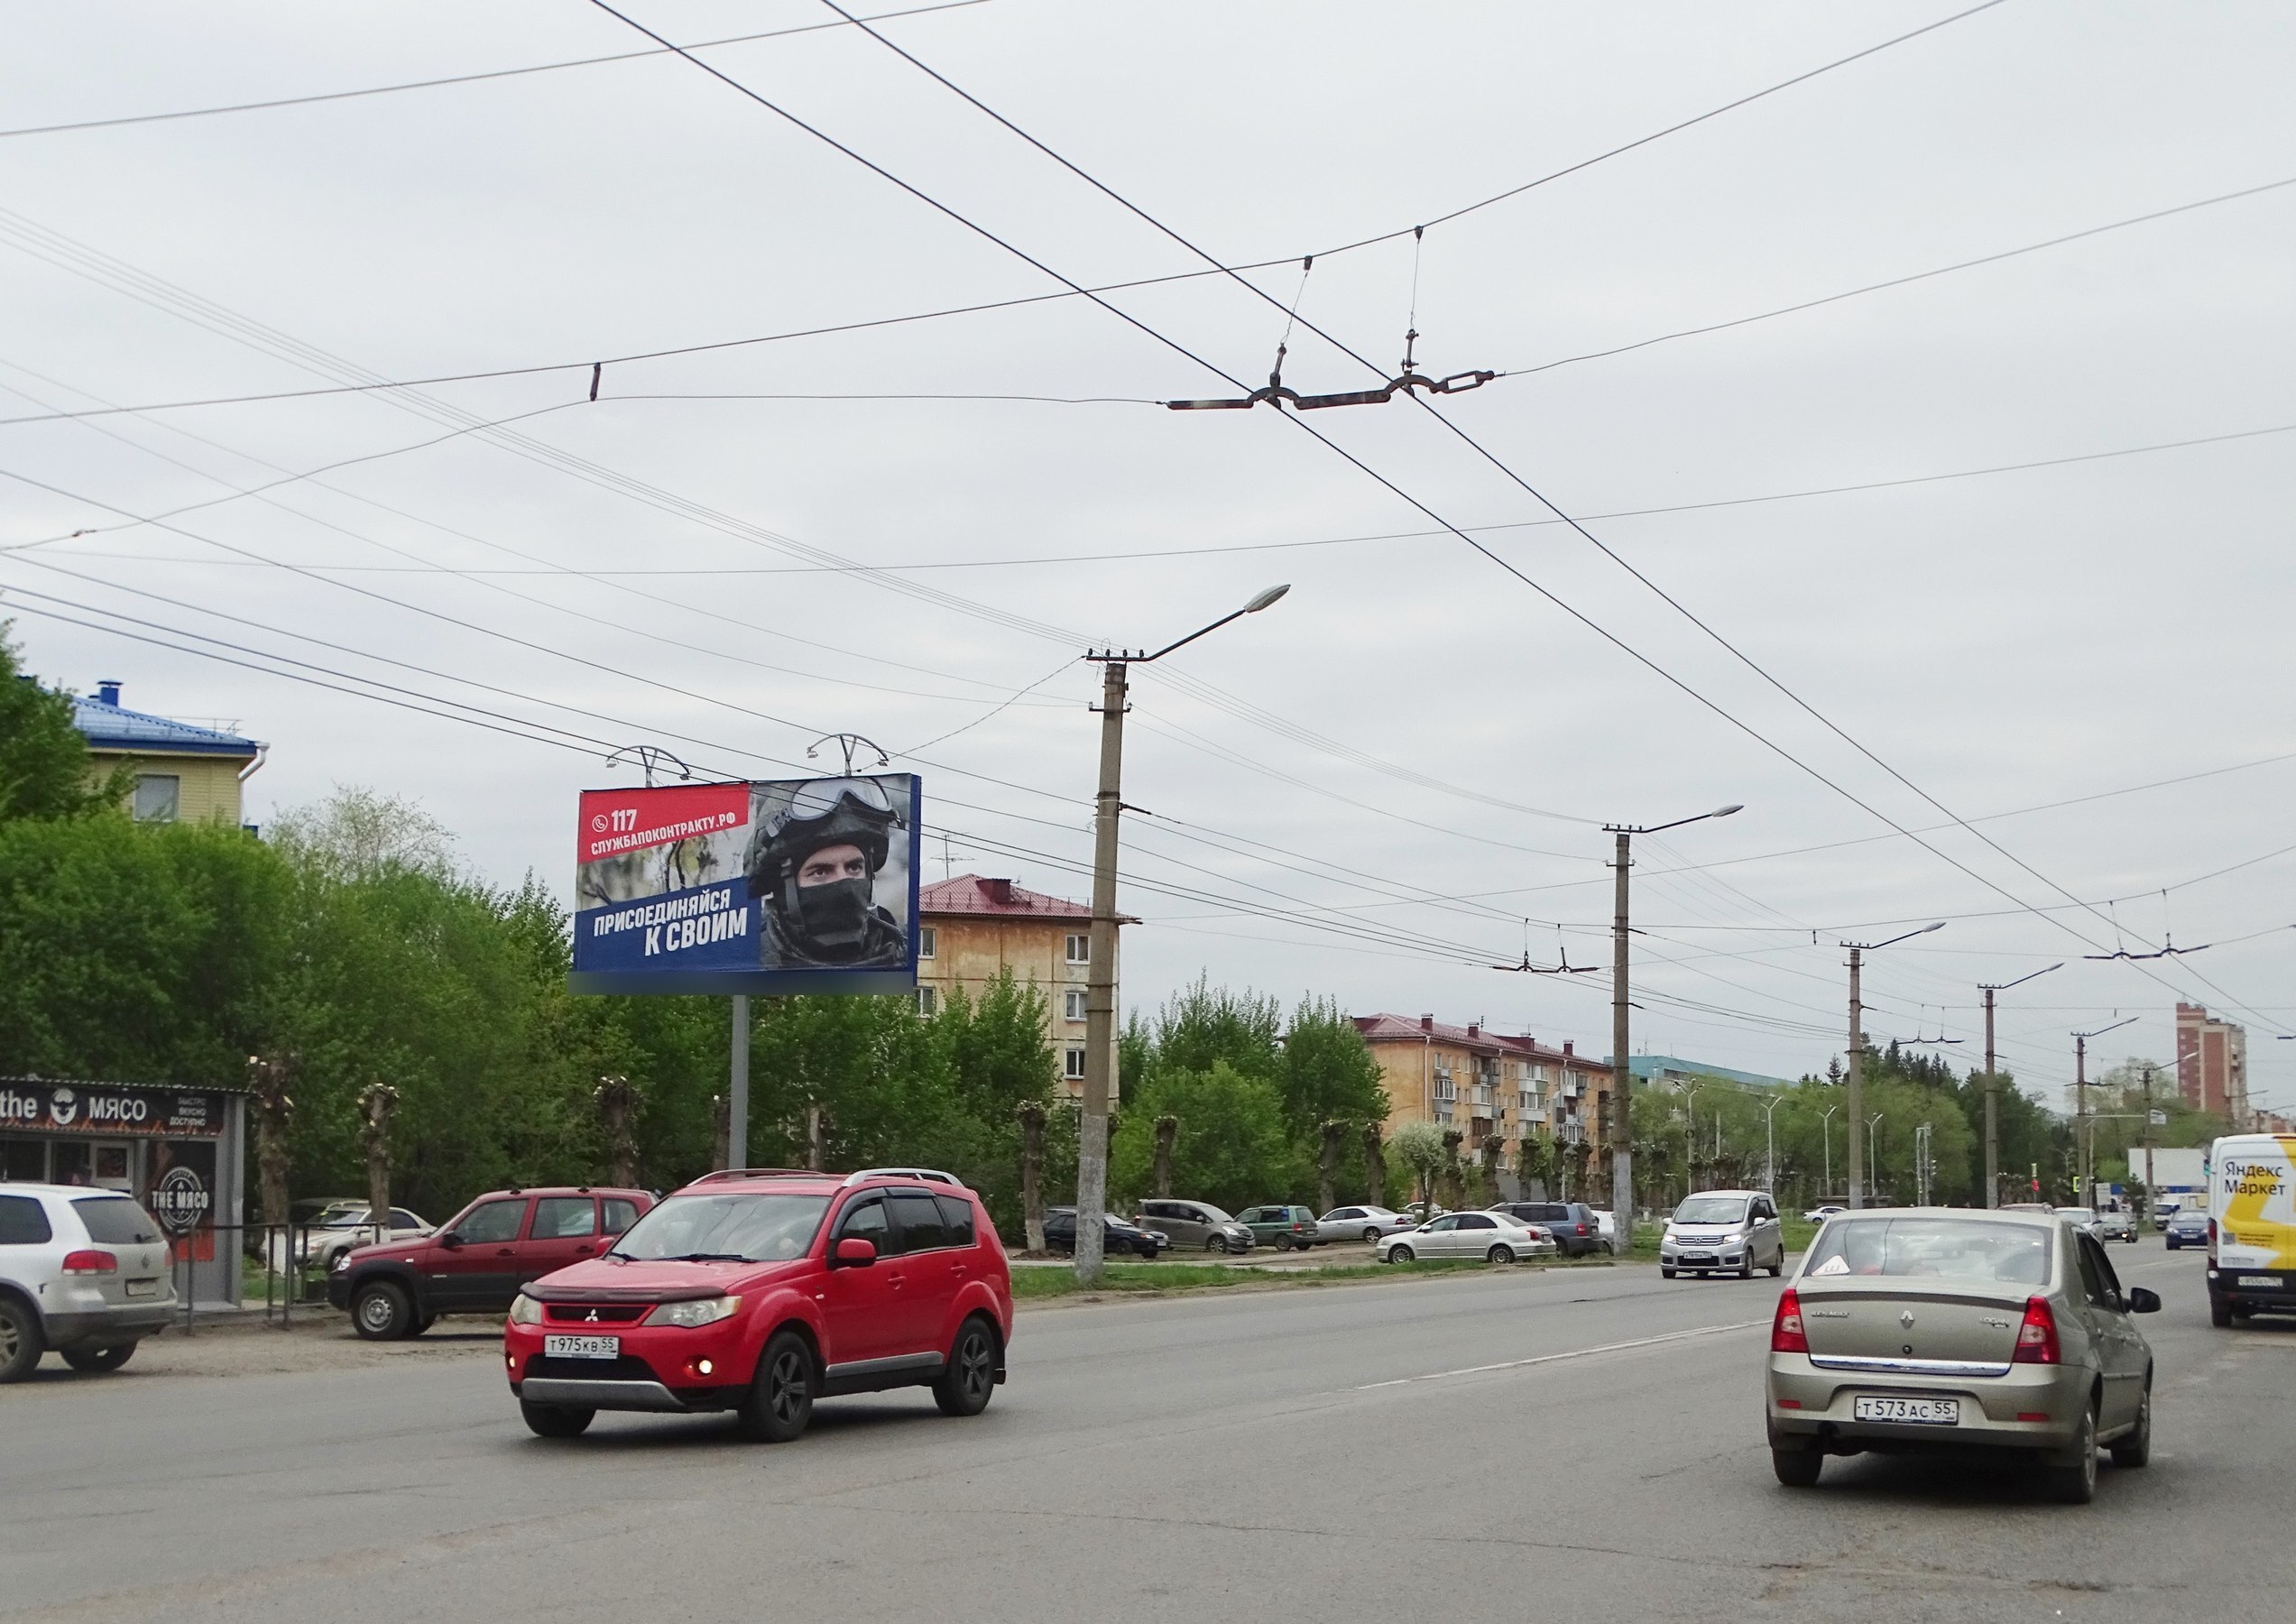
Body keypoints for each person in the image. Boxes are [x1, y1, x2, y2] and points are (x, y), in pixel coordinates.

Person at [744, 778, 908, 969]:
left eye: (854, 868)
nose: (844, 882)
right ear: (783, 886)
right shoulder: (746, 962)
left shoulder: (902, 950)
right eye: (821, 871)